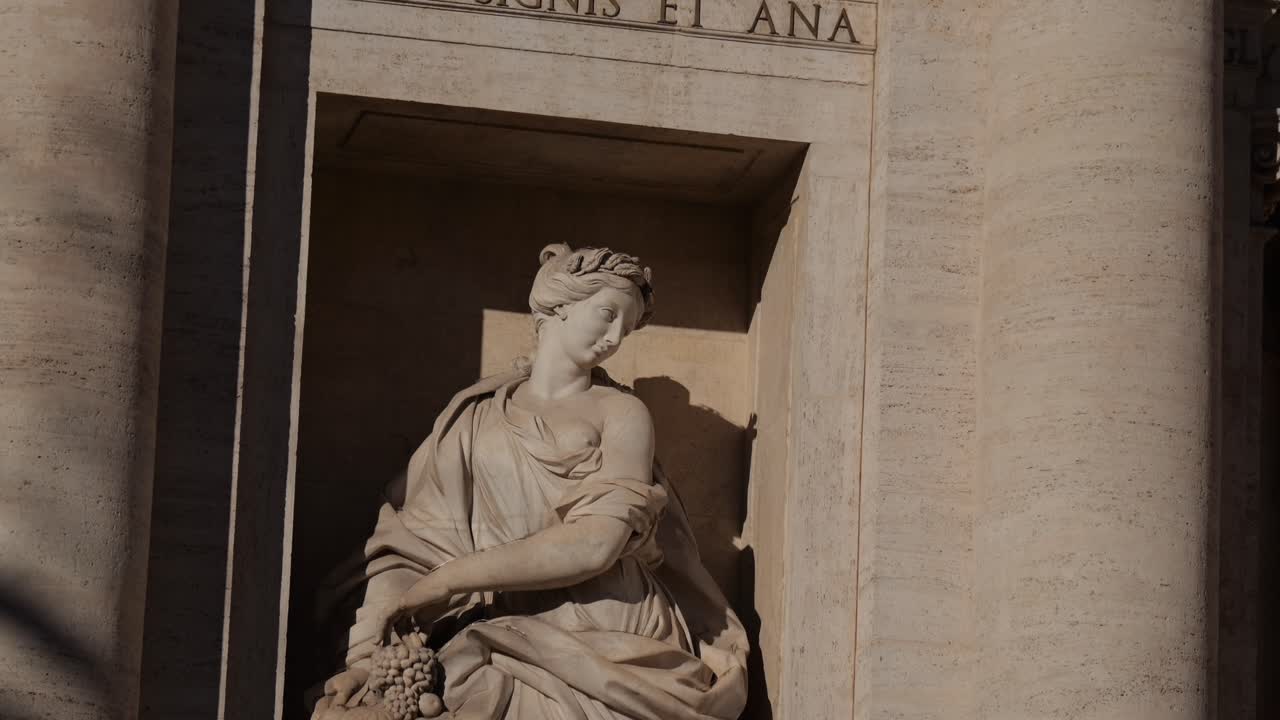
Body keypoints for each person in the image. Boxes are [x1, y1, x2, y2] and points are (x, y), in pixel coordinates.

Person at [312, 244, 748, 720]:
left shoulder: (621, 412)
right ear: (557, 306)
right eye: (607, 314)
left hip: (605, 635)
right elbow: (409, 546)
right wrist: (369, 660)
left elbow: (596, 545)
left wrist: (447, 581)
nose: (615, 336)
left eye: (627, 326)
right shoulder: (471, 418)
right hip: (489, 627)